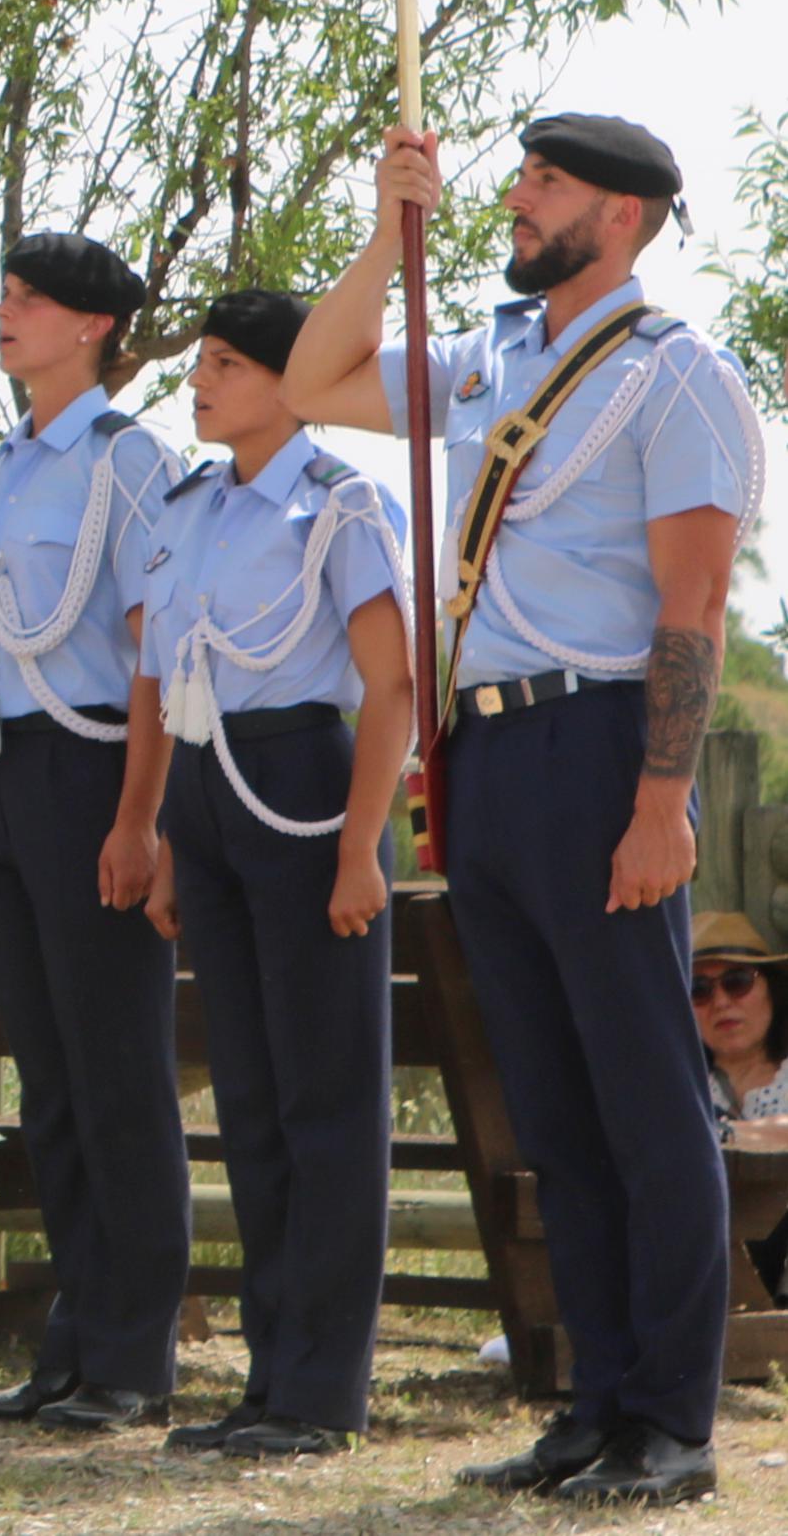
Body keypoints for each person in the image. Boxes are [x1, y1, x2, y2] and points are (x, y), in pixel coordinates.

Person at [285, 114, 763, 1507]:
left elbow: (690, 606)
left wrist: (659, 799)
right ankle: (594, 1402)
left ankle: (670, 1418)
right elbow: (312, 376)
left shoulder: (678, 377)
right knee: (549, 1102)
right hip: (481, 754)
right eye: (519, 175)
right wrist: (390, 229)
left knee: (643, 1100)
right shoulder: (487, 353)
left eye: (545, 181)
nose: (515, 195)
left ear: (620, 216)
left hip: (602, 738)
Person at [131, 289, 412, 1458]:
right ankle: (266, 1374)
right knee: (247, 1098)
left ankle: (318, 1389)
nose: (198, 382)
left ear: (289, 381)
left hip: (300, 781)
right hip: (207, 787)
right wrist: (155, 834)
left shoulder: (341, 506)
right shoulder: (188, 504)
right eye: (197, 361)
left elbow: (389, 685)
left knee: (323, 1097)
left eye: (228, 364)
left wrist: (357, 846)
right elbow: (157, 668)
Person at [0, 230, 188, 1436]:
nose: (6, 314)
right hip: (0, 775)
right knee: (47, 1078)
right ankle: (71, 1345)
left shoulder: (125, 458)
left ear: (90, 325)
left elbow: (151, 652)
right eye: (7, 296)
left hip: (89, 767)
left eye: (29, 301)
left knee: (115, 1076)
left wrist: (140, 815)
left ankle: (133, 1356)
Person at [691, 916, 788, 1303]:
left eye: (738, 982)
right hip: (709, 1275)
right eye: (699, 990)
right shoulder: (680, 1089)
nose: (721, 1002)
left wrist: (723, 1134)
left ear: (772, 990)